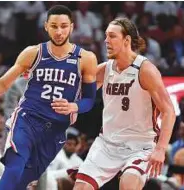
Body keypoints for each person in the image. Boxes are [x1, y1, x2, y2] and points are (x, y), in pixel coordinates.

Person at [0, 5, 97, 190]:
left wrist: (74, 106)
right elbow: (2, 84)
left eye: (63, 26)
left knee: (22, 183)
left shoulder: (86, 58)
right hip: (27, 120)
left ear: (71, 26)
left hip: (55, 131)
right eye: (54, 26)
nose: (59, 31)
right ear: (46, 26)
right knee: (13, 173)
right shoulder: (33, 53)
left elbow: (90, 100)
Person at [73, 17, 175, 190]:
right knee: (81, 187)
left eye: (112, 36)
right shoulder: (105, 69)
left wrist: (160, 148)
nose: (106, 41)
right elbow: (76, 89)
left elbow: (168, 111)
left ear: (126, 40)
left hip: (139, 145)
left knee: (128, 184)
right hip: (107, 144)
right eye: (106, 36)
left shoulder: (144, 70)